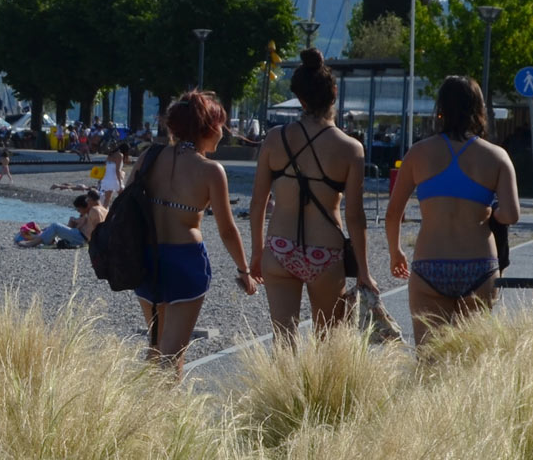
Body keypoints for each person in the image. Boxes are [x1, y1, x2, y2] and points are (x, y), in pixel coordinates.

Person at [246, 49, 374, 342]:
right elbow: (355, 216)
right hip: (325, 251)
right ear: (334, 93)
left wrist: (257, 252)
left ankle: (283, 390)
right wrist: (364, 271)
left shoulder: (275, 138)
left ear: (300, 99)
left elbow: (257, 203)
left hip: (279, 247)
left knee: (283, 340)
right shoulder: (350, 149)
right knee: (329, 341)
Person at [384, 76, 522, 344]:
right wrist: (493, 213)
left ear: (441, 109)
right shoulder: (497, 156)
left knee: (429, 359)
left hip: (429, 265)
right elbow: (511, 214)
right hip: (479, 267)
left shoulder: (418, 153)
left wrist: (395, 252)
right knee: (470, 362)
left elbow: (393, 213)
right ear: (478, 109)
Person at [131, 90, 257, 363]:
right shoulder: (211, 170)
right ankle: (168, 406)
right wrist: (244, 270)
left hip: (147, 258)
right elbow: (227, 229)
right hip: (185, 261)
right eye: (221, 125)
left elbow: (125, 206)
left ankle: (141, 403)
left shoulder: (148, 158)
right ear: (209, 127)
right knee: (173, 352)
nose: (224, 131)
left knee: (154, 348)